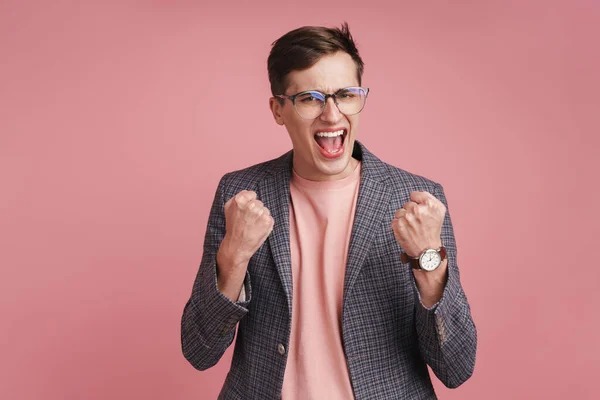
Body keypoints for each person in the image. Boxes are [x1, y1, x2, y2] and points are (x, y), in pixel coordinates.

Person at [181, 23, 477, 399]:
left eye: (345, 95)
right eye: (310, 98)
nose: (333, 115)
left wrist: (427, 262)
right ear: (278, 109)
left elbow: (457, 367)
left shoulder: (418, 201)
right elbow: (199, 351)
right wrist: (233, 258)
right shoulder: (241, 196)